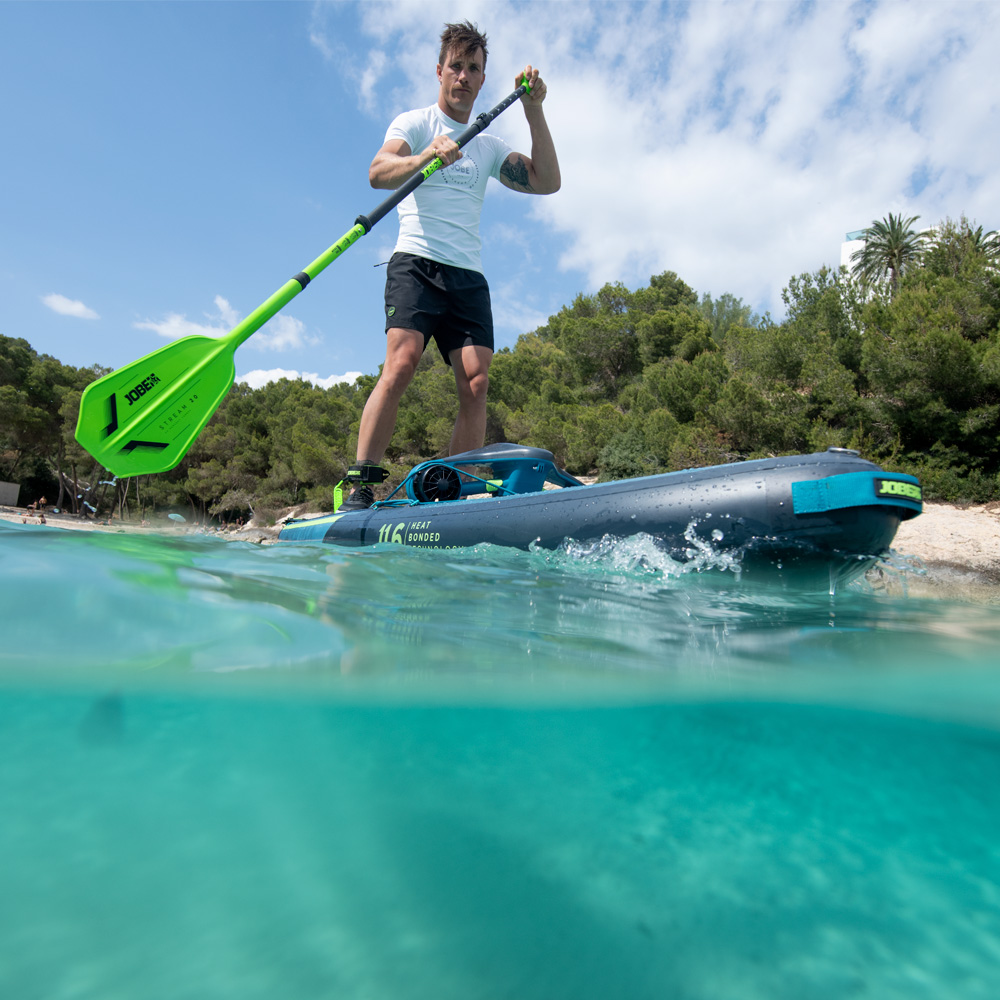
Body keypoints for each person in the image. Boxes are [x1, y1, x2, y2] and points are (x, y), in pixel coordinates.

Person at [340, 20, 560, 510]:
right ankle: (360, 483)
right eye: (455, 67)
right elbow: (378, 172)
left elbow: (546, 182)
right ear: (439, 71)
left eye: (473, 69)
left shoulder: (486, 145)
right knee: (400, 365)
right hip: (416, 263)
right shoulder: (415, 123)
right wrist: (425, 156)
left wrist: (534, 111)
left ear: (483, 81)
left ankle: (448, 488)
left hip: (467, 275)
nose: (463, 76)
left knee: (477, 381)